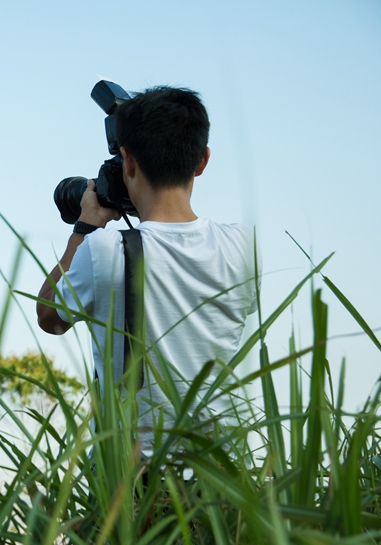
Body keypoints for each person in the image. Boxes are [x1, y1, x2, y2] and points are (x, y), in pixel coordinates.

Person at [36, 86, 260, 456]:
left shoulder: (106, 249)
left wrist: (86, 226)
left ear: (127, 162)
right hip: (221, 472)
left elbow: (48, 315)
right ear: (202, 161)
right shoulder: (244, 247)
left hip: (132, 475)